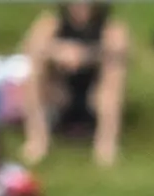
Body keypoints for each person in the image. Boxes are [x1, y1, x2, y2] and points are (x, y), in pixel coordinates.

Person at [18, 2, 121, 167]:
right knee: (35, 69)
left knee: (114, 70)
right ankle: (37, 140)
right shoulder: (51, 23)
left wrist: (85, 55)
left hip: (94, 98)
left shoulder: (110, 27)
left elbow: (119, 50)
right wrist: (58, 52)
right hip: (61, 96)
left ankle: (106, 144)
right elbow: (29, 47)